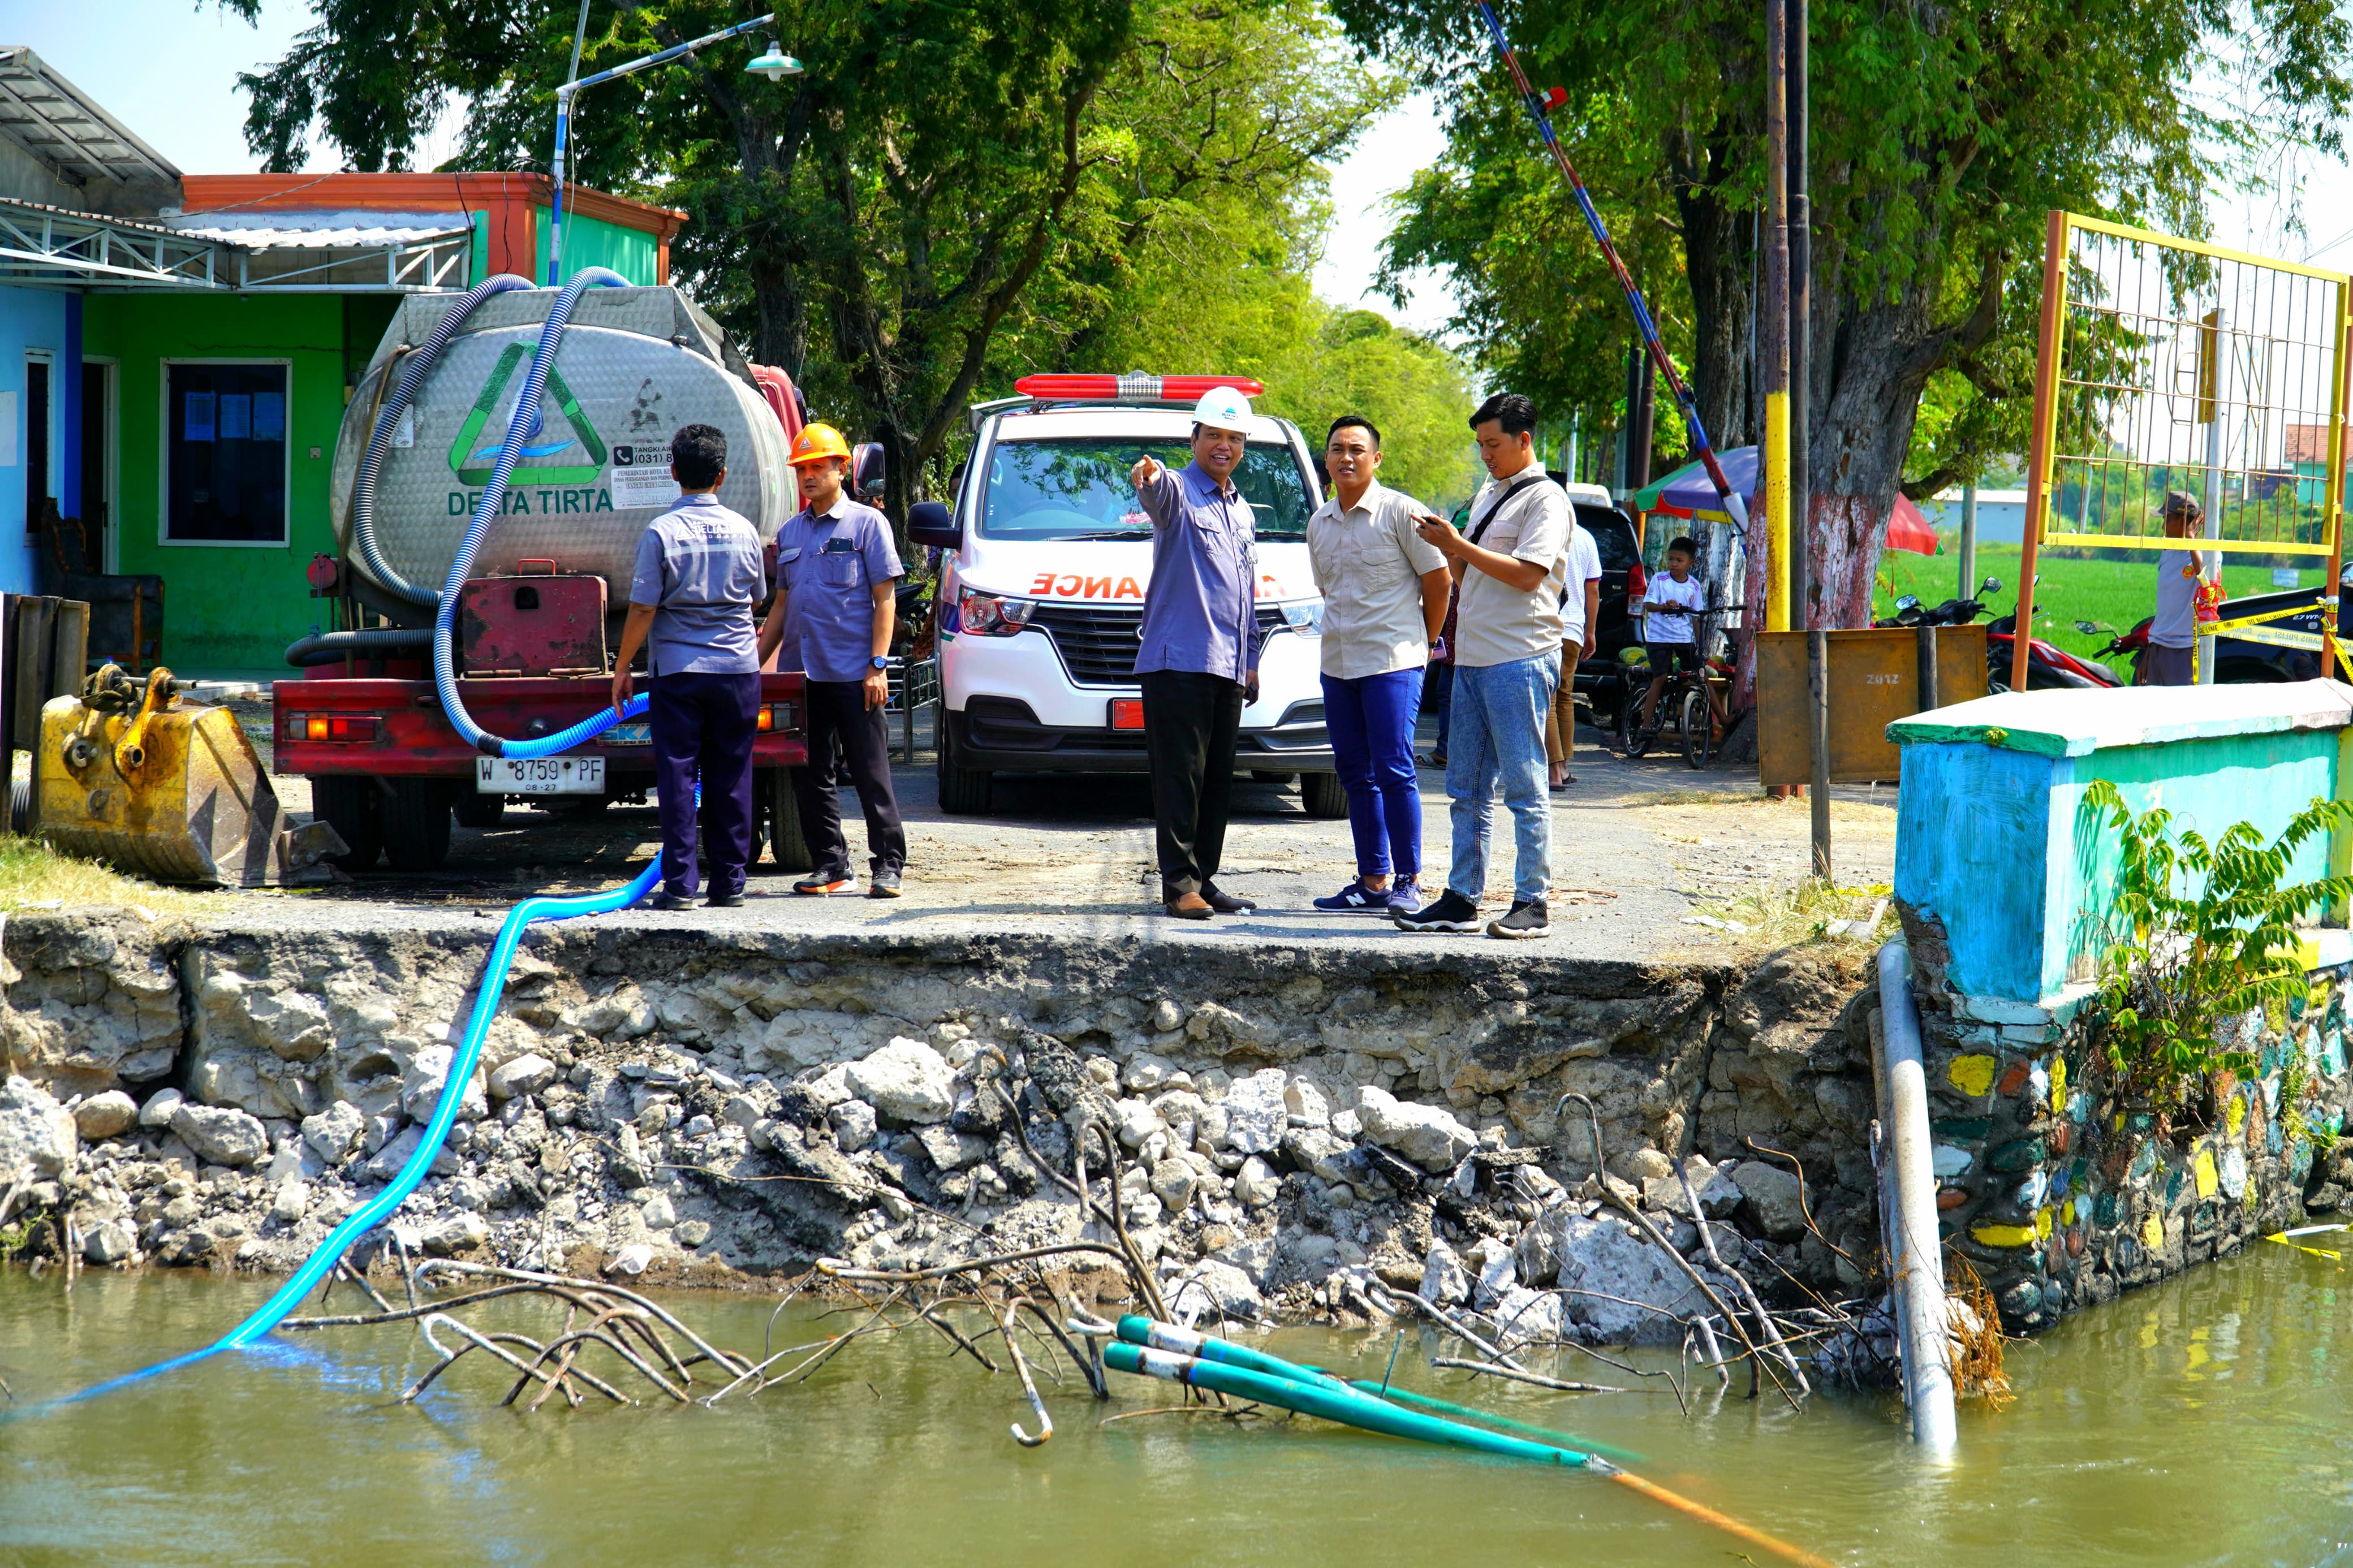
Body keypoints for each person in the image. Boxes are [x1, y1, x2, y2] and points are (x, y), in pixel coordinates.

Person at [1395, 392, 1571, 940]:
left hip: (1518, 656)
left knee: (1523, 783)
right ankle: (1461, 896)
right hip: (1471, 658)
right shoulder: (1488, 493)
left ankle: (1532, 900)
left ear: (1524, 441)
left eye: (1492, 445)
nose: (1485, 456)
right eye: (1479, 446)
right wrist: (1444, 548)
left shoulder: (1546, 501)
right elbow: (1470, 574)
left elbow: (1527, 574)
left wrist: (1459, 548)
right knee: (1465, 786)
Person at [611, 424, 767, 910]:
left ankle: (679, 886)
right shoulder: (744, 530)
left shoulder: (662, 532)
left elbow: (642, 608)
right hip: (739, 670)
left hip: (678, 672)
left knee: (678, 776)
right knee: (732, 774)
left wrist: (622, 668)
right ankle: (730, 883)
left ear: (673, 472)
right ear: (722, 475)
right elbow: (757, 597)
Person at [1304, 414, 1452, 914]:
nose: (1346, 457)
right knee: (1352, 772)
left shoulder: (1402, 513)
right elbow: (1328, 589)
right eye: (1337, 449)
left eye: (1357, 449)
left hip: (1393, 660)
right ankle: (1372, 881)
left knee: (1393, 767)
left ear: (1377, 458)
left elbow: (1439, 582)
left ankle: (1409, 880)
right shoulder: (1319, 523)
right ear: (1326, 458)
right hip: (1338, 662)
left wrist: (1424, 645)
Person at [757, 421, 908, 897]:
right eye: (802, 469)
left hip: (855, 675)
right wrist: (753, 663)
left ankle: (888, 864)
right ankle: (831, 863)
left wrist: (877, 666)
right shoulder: (790, 533)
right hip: (801, 676)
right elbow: (780, 606)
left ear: (841, 469)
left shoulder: (867, 524)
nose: (809, 476)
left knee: (870, 773)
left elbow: (886, 600)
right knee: (809, 774)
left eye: (819, 467)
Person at [1130, 386, 1263, 921]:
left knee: (1217, 780)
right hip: (1179, 659)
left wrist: (1251, 659)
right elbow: (1156, 495)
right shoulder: (1180, 490)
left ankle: (1204, 880)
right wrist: (1152, 476)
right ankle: (1178, 884)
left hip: (1229, 663)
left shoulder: (1243, 511)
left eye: (1234, 438)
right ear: (1195, 439)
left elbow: (1248, 591)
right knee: (1180, 778)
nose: (1224, 446)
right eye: (1214, 436)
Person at [1544, 506, 1602, 789]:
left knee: (1549, 700)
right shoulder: (1586, 538)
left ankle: (1554, 773)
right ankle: (1564, 767)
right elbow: (1593, 590)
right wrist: (1590, 631)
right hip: (1575, 629)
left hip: (1547, 625)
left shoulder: (1546, 533)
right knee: (1565, 696)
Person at [1635, 535, 1710, 729]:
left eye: (1679, 560)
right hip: (1659, 639)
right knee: (1660, 678)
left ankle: (1722, 720)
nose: (1673, 564)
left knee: (1700, 674)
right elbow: (1649, 606)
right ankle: (1646, 725)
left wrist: (1701, 647)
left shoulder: (1694, 586)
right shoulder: (1660, 580)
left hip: (1683, 640)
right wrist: (1663, 606)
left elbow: (1696, 617)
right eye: (1671, 559)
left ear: (1690, 563)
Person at [2146, 490, 2215, 688]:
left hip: (2184, 650)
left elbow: (2207, 584)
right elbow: (2165, 608)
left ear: (2183, 520)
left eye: (2167, 519)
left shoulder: (2207, 553)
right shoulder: (2168, 552)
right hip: (2158, 646)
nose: (2162, 525)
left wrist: (2191, 538)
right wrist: (2149, 653)